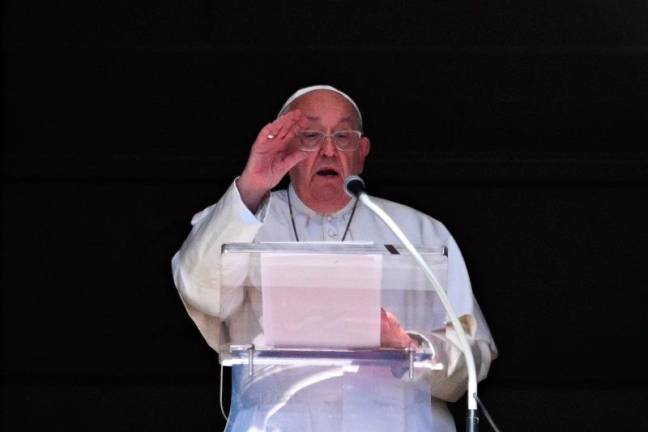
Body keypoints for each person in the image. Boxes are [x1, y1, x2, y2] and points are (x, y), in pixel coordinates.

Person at [171, 85, 497, 431]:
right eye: (310, 136)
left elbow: (473, 358)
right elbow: (197, 288)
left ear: (362, 151)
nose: (328, 150)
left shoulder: (419, 233)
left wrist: (410, 346)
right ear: (286, 147)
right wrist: (252, 184)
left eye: (343, 136)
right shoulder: (242, 218)